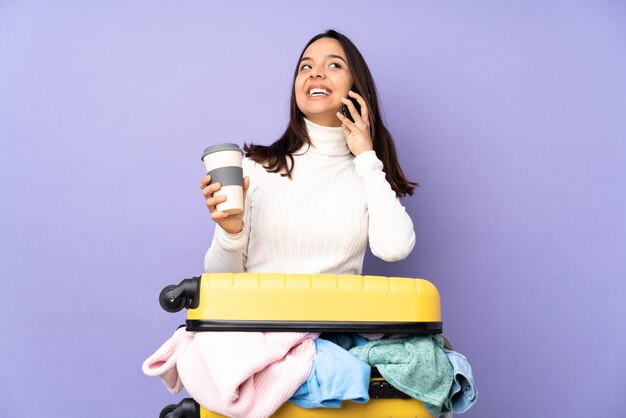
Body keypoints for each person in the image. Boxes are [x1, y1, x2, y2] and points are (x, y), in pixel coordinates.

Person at [200, 29, 416, 275]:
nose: (316, 73)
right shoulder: (255, 169)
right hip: (258, 314)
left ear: (357, 88)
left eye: (334, 65)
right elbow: (221, 281)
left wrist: (366, 156)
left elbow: (395, 248)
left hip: (337, 314)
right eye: (305, 67)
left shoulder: (368, 175)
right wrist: (230, 233)